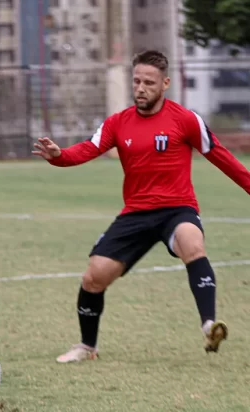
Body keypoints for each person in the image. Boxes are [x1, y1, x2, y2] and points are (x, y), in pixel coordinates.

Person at [33, 50, 250, 363]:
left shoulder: (185, 120)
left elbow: (222, 156)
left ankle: (208, 325)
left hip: (178, 209)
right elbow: (87, 149)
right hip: (136, 213)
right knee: (94, 277)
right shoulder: (118, 123)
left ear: (165, 84)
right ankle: (86, 347)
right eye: (136, 81)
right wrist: (58, 156)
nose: (140, 88)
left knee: (192, 242)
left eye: (149, 82)